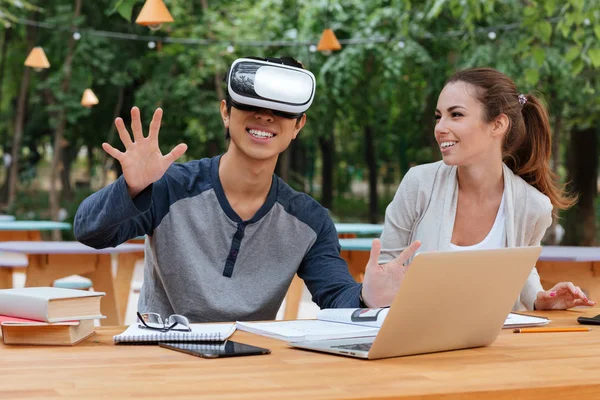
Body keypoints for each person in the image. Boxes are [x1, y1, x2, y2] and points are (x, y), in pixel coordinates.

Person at [74, 56, 419, 323]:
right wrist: (132, 187)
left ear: (298, 125)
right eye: (251, 105)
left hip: (251, 366)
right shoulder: (170, 188)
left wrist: (368, 299)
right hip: (162, 358)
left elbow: (336, 296)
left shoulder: (310, 220)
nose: (266, 117)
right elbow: (90, 232)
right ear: (226, 111)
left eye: (282, 111)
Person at [377, 67, 595, 311]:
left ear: (498, 124)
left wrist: (539, 297)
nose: (440, 127)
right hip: (415, 340)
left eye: (456, 114)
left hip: (494, 345)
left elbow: (521, 270)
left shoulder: (533, 207)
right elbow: (385, 266)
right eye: (439, 116)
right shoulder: (419, 184)